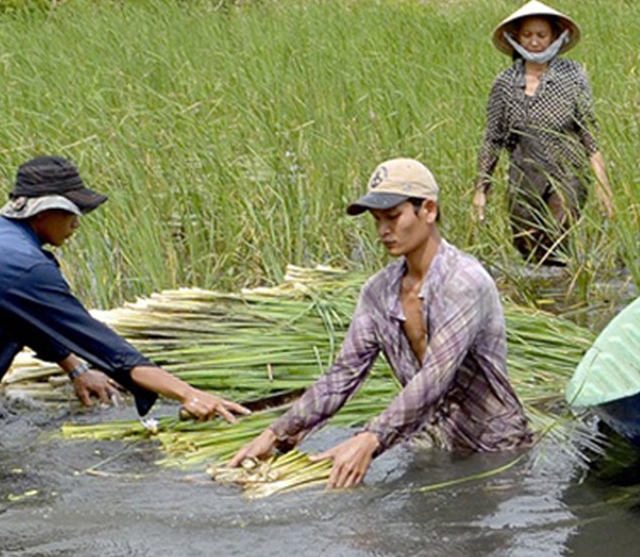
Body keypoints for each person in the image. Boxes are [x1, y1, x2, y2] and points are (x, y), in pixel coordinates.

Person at [0, 155, 248, 447]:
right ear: (43, 212)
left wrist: (75, 369)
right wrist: (188, 394)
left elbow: (25, 319)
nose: (77, 222)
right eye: (72, 211)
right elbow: (103, 345)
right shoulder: (21, 265)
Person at [228, 158, 534, 488]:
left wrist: (371, 438)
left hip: (495, 453)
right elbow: (343, 374)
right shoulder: (378, 291)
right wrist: (277, 433)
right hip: (431, 446)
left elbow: (435, 377)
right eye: (377, 220)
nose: (383, 230)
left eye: (393, 217)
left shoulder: (464, 282)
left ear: (428, 210)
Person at [472, 0, 615, 265]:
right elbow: (492, 139)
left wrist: (603, 186)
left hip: (567, 173)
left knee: (555, 238)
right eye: (527, 35)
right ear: (516, 38)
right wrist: (481, 190)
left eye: (541, 35)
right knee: (529, 249)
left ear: (553, 38)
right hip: (525, 176)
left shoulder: (572, 75)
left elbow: (589, 134)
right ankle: (541, 301)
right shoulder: (505, 82)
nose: (534, 42)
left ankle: (564, 298)